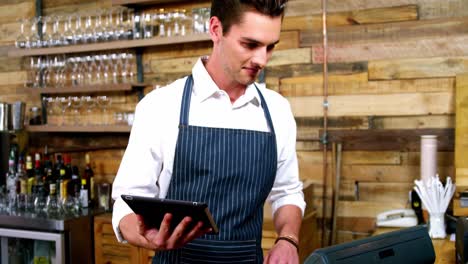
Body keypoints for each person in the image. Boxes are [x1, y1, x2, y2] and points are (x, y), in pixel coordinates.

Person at [112, 0, 306, 263]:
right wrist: (146, 235)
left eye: (270, 47)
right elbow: (127, 202)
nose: (262, 60)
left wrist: (288, 240)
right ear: (216, 29)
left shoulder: (278, 110)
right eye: (250, 44)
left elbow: (288, 192)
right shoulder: (160, 106)